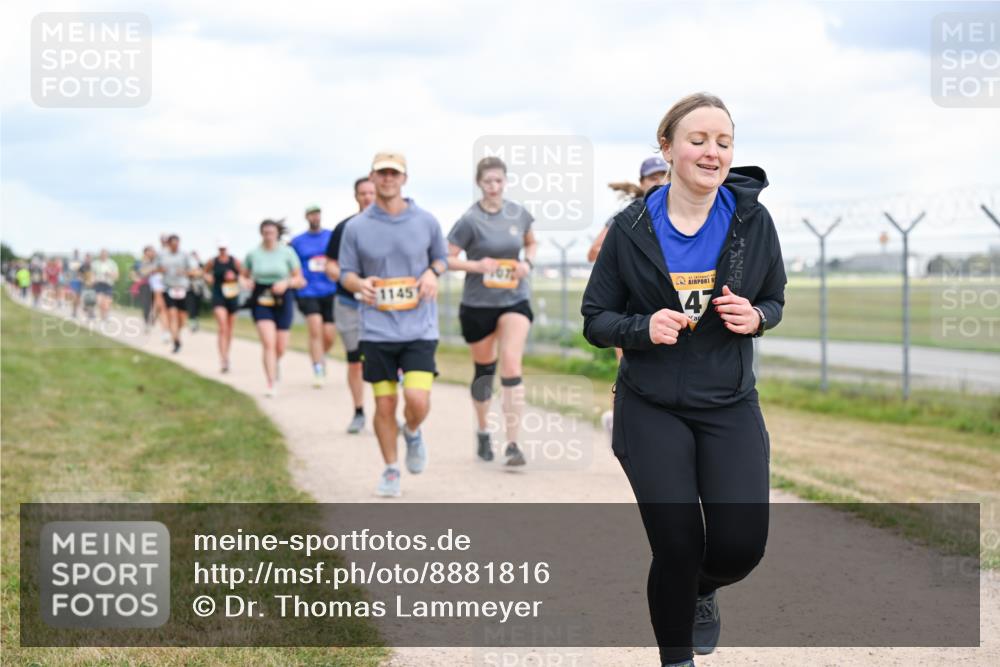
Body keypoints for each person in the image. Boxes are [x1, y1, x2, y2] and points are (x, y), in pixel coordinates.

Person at [581, 93, 786, 667]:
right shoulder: (631, 228)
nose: (712, 151)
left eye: (724, 141)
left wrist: (760, 316)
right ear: (667, 148)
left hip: (728, 402)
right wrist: (643, 327)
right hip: (652, 404)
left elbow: (774, 298)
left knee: (740, 548)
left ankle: (702, 589)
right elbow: (596, 319)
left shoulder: (751, 220)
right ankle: (677, 659)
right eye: (698, 139)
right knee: (676, 545)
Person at [339, 151, 448, 498]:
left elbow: (442, 259)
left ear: (404, 178)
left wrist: (432, 273)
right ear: (372, 177)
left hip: (418, 327)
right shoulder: (356, 227)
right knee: (384, 405)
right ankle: (390, 469)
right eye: (381, 173)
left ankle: (413, 432)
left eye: (394, 173)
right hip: (376, 329)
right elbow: (345, 274)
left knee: (416, 399)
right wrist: (360, 285)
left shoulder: (426, 221)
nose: (387, 179)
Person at [446, 156, 537, 466]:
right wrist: (476, 265)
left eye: (499, 181)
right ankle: (484, 429)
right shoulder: (469, 220)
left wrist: (527, 263)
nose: (494, 187)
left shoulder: (518, 213)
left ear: (505, 181)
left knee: (511, 365)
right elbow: (447, 258)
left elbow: (531, 242)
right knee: (485, 372)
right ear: (479, 184)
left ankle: (513, 444)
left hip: (514, 299)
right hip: (478, 304)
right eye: (488, 182)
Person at [588, 157, 671, 435]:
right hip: (630, 305)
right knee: (628, 368)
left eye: (663, 176)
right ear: (642, 182)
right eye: (652, 178)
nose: (659, 181)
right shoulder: (625, 217)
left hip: (665, 301)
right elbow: (593, 252)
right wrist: (628, 259)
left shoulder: (680, 214)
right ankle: (622, 426)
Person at [325, 176, 377, 433]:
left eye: (371, 192)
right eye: (362, 193)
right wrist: (346, 278)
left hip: (381, 304)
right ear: (356, 197)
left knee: (381, 360)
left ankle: (387, 412)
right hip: (349, 302)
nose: (367, 197)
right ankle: (358, 411)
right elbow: (330, 264)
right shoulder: (343, 227)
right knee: (355, 360)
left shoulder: (389, 226)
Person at [242, 219, 304, 397]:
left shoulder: (288, 252)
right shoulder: (253, 254)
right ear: (261, 234)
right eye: (265, 233)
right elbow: (243, 275)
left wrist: (287, 283)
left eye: (272, 232)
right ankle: (270, 382)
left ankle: (275, 363)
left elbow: (299, 279)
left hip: (283, 296)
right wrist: (245, 281)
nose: (269, 236)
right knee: (268, 342)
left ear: (277, 234)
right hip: (261, 297)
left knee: (280, 345)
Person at [291, 204, 338, 387]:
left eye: (317, 214)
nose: (315, 217)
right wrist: (296, 278)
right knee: (315, 329)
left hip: (329, 290)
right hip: (308, 291)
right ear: (306, 217)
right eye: (311, 215)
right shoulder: (298, 241)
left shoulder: (331, 236)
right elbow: (291, 264)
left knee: (329, 335)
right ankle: (318, 368)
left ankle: (320, 356)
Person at [203, 239, 242, 373]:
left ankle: (227, 355)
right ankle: (223, 359)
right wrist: (208, 278)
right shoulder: (213, 261)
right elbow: (205, 272)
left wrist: (235, 276)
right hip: (218, 295)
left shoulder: (235, 261)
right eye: (220, 249)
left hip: (232, 295)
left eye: (224, 248)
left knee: (229, 330)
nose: (222, 251)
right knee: (223, 327)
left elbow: (244, 274)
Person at [157, 234, 198, 353]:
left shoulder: (185, 255)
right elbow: (155, 268)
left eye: (177, 244)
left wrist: (185, 272)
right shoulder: (162, 256)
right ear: (169, 244)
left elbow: (195, 271)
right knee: (172, 314)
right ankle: (176, 341)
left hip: (183, 289)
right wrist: (161, 270)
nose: (175, 246)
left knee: (182, 319)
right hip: (169, 288)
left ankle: (176, 334)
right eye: (173, 244)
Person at [130, 246, 158, 330]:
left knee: (157, 304)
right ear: (145, 252)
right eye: (150, 251)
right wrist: (137, 279)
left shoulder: (157, 262)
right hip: (145, 285)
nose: (152, 253)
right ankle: (146, 323)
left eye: (153, 251)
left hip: (156, 285)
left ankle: (153, 317)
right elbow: (133, 273)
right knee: (146, 305)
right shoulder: (139, 262)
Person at [90, 249, 119, 321]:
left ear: (107, 255)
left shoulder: (112, 263)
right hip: (98, 284)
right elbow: (92, 274)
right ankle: (102, 316)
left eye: (105, 254)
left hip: (108, 284)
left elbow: (116, 275)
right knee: (99, 301)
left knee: (106, 303)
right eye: (102, 254)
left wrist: (109, 274)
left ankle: (106, 315)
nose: (103, 255)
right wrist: (92, 281)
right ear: (100, 255)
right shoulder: (95, 263)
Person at [187, 251, 207, 333]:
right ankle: (192, 323)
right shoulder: (188, 265)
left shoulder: (200, 265)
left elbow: (204, 271)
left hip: (199, 289)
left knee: (197, 306)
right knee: (191, 306)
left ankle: (196, 321)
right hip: (190, 288)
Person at [64, 249, 84, 316]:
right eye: (75, 253)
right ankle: (74, 311)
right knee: (74, 295)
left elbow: (83, 271)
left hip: (80, 281)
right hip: (73, 280)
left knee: (78, 297)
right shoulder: (70, 261)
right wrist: (67, 280)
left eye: (77, 253)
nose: (76, 254)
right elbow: (68, 271)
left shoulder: (81, 261)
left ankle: (75, 310)